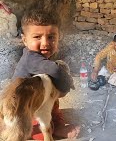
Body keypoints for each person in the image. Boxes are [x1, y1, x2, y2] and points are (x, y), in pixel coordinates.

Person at [12, 10, 80, 140]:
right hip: (24, 107)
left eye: (51, 37)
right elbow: (55, 71)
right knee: (40, 134)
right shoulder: (31, 59)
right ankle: (51, 129)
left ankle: (57, 124)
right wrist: (65, 87)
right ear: (24, 40)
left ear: (59, 37)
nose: (45, 43)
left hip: (36, 101)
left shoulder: (35, 56)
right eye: (37, 37)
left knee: (51, 94)